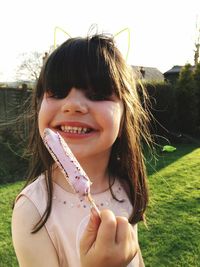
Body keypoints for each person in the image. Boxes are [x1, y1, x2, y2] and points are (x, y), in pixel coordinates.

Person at [12, 32, 151, 267]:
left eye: (97, 94)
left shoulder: (124, 186)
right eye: (56, 92)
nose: (73, 105)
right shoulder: (31, 211)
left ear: (124, 115)